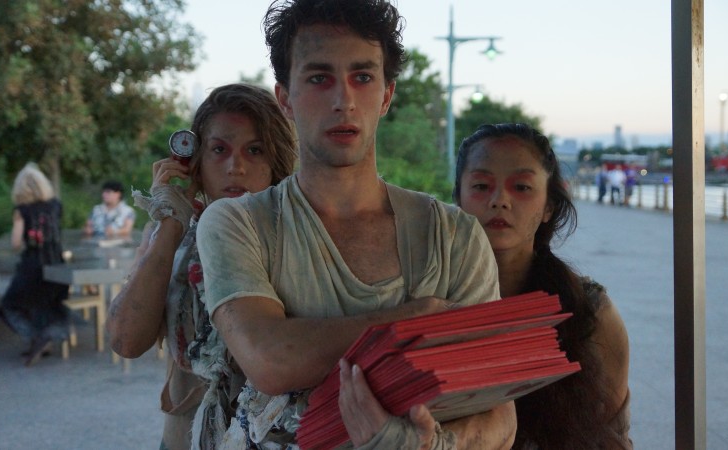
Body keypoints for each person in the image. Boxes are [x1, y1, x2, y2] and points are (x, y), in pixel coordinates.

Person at [194, 1, 516, 448]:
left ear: (386, 95)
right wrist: (415, 321)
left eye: (362, 77)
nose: (343, 100)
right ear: (284, 98)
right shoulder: (239, 222)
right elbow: (269, 359)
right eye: (319, 78)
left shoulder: (454, 235)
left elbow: (498, 410)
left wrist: (424, 445)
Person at [106, 83, 298, 450]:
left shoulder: (294, 236)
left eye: (254, 150)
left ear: (275, 161)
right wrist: (170, 224)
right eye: (219, 150)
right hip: (183, 440)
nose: (235, 166)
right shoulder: (169, 234)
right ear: (195, 160)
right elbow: (126, 340)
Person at [453, 123, 632, 449]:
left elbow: (613, 436)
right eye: (481, 185)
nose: (499, 200)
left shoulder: (589, 311)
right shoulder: (429, 300)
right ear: (458, 199)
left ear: (549, 205)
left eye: (521, 187)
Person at [0, 162, 70, 366]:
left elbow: (16, 243)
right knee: (45, 304)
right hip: (58, 266)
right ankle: (42, 343)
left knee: (10, 306)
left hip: (34, 265)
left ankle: (37, 337)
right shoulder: (56, 205)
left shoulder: (22, 210)